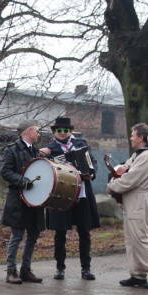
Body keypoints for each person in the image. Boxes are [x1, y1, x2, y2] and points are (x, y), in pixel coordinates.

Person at [39, 116, 100, 280]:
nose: (62, 133)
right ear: (54, 132)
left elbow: (92, 163)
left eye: (65, 130)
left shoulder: (81, 145)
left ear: (71, 131)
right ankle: (60, 268)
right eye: (59, 130)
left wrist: (91, 174)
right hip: (60, 195)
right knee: (60, 233)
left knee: (84, 232)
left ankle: (85, 268)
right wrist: (43, 155)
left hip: (82, 194)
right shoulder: (49, 149)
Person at [106, 122, 148, 289]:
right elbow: (123, 170)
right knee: (131, 239)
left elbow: (131, 178)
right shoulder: (138, 155)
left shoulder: (146, 156)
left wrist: (112, 186)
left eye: (133, 135)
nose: (130, 138)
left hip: (140, 199)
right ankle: (138, 274)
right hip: (132, 198)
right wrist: (115, 180)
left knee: (139, 237)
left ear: (141, 137)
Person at [0, 120, 46, 284]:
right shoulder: (12, 150)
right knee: (17, 236)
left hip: (35, 199)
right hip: (18, 198)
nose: (39, 134)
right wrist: (23, 180)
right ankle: (11, 271)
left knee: (33, 235)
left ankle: (26, 270)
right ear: (28, 131)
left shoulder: (36, 152)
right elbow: (5, 171)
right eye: (37, 131)